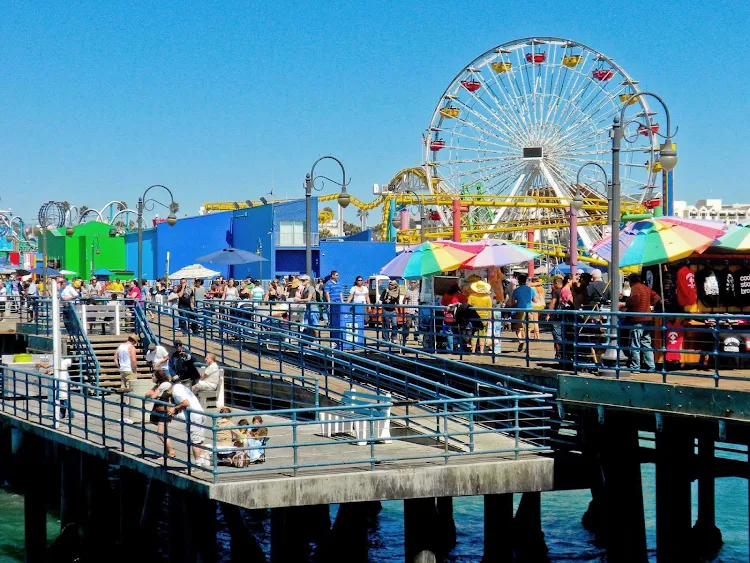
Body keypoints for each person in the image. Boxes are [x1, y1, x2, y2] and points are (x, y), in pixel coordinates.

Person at [167, 375, 209, 467]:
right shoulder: (181, 387)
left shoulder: (176, 392)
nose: (167, 394)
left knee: (194, 442)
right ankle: (203, 462)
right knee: (200, 441)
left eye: (167, 391)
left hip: (194, 417)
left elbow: (186, 403)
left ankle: (198, 465)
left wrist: (174, 409)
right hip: (200, 413)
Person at [624, 273, 661, 373]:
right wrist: (649, 304)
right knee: (646, 343)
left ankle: (635, 367)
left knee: (635, 344)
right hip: (648, 318)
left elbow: (635, 299)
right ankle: (651, 367)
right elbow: (657, 297)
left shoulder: (635, 288)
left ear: (631, 281)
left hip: (637, 319)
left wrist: (625, 303)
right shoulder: (645, 287)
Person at [144, 369, 175, 459]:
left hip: (164, 411)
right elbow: (148, 394)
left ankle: (171, 452)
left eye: (153, 376)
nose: (151, 378)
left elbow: (152, 396)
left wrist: (151, 393)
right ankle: (166, 453)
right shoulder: (160, 385)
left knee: (160, 433)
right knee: (164, 433)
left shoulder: (164, 385)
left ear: (157, 377)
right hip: (162, 410)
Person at [36, 357, 73, 427]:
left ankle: (70, 413)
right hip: (65, 378)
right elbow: (58, 370)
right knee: (62, 396)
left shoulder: (56, 359)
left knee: (62, 397)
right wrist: (52, 373)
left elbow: (46, 366)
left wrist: (39, 363)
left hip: (62, 379)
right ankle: (63, 414)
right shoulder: (61, 359)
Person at [114, 335, 139, 424]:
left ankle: (124, 400)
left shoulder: (121, 346)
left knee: (123, 385)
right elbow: (133, 360)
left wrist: (119, 366)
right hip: (129, 369)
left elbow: (115, 357)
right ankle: (128, 402)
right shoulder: (131, 348)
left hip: (122, 369)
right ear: (133, 341)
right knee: (131, 386)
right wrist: (135, 369)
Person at [511, 274, 539, 352]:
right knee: (528, 328)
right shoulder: (530, 290)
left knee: (518, 327)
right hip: (529, 309)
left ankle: (521, 341)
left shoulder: (516, 290)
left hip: (519, 309)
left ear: (519, 281)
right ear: (526, 281)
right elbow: (535, 300)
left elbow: (513, 302)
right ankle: (527, 344)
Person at [467, 280, 493, 354]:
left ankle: (473, 351)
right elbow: (489, 309)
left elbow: (468, 307)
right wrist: (489, 318)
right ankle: (481, 351)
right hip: (484, 318)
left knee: (474, 335)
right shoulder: (487, 297)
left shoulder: (472, 296)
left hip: (474, 317)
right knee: (482, 335)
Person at [546, 276, 565, 360]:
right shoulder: (566, 290)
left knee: (557, 335)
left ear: (557, 283)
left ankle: (559, 352)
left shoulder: (556, 291)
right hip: (565, 316)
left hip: (557, 316)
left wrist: (548, 314)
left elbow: (553, 303)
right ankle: (563, 352)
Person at [380, 279, 401, 344]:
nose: (390, 286)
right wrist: (385, 300)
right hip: (386, 309)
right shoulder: (386, 290)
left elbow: (397, 301)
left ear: (395, 286)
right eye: (389, 284)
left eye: (392, 285)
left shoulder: (396, 292)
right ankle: (385, 339)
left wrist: (399, 309)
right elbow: (381, 298)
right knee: (386, 324)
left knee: (395, 324)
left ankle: (394, 337)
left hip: (393, 310)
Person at [402, 280, 421, 345]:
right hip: (409, 310)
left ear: (416, 284)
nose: (413, 284)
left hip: (416, 310)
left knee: (417, 324)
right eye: (412, 282)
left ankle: (417, 337)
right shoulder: (408, 290)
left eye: (414, 283)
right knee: (408, 324)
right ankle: (405, 338)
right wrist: (405, 298)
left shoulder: (419, 291)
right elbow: (403, 302)